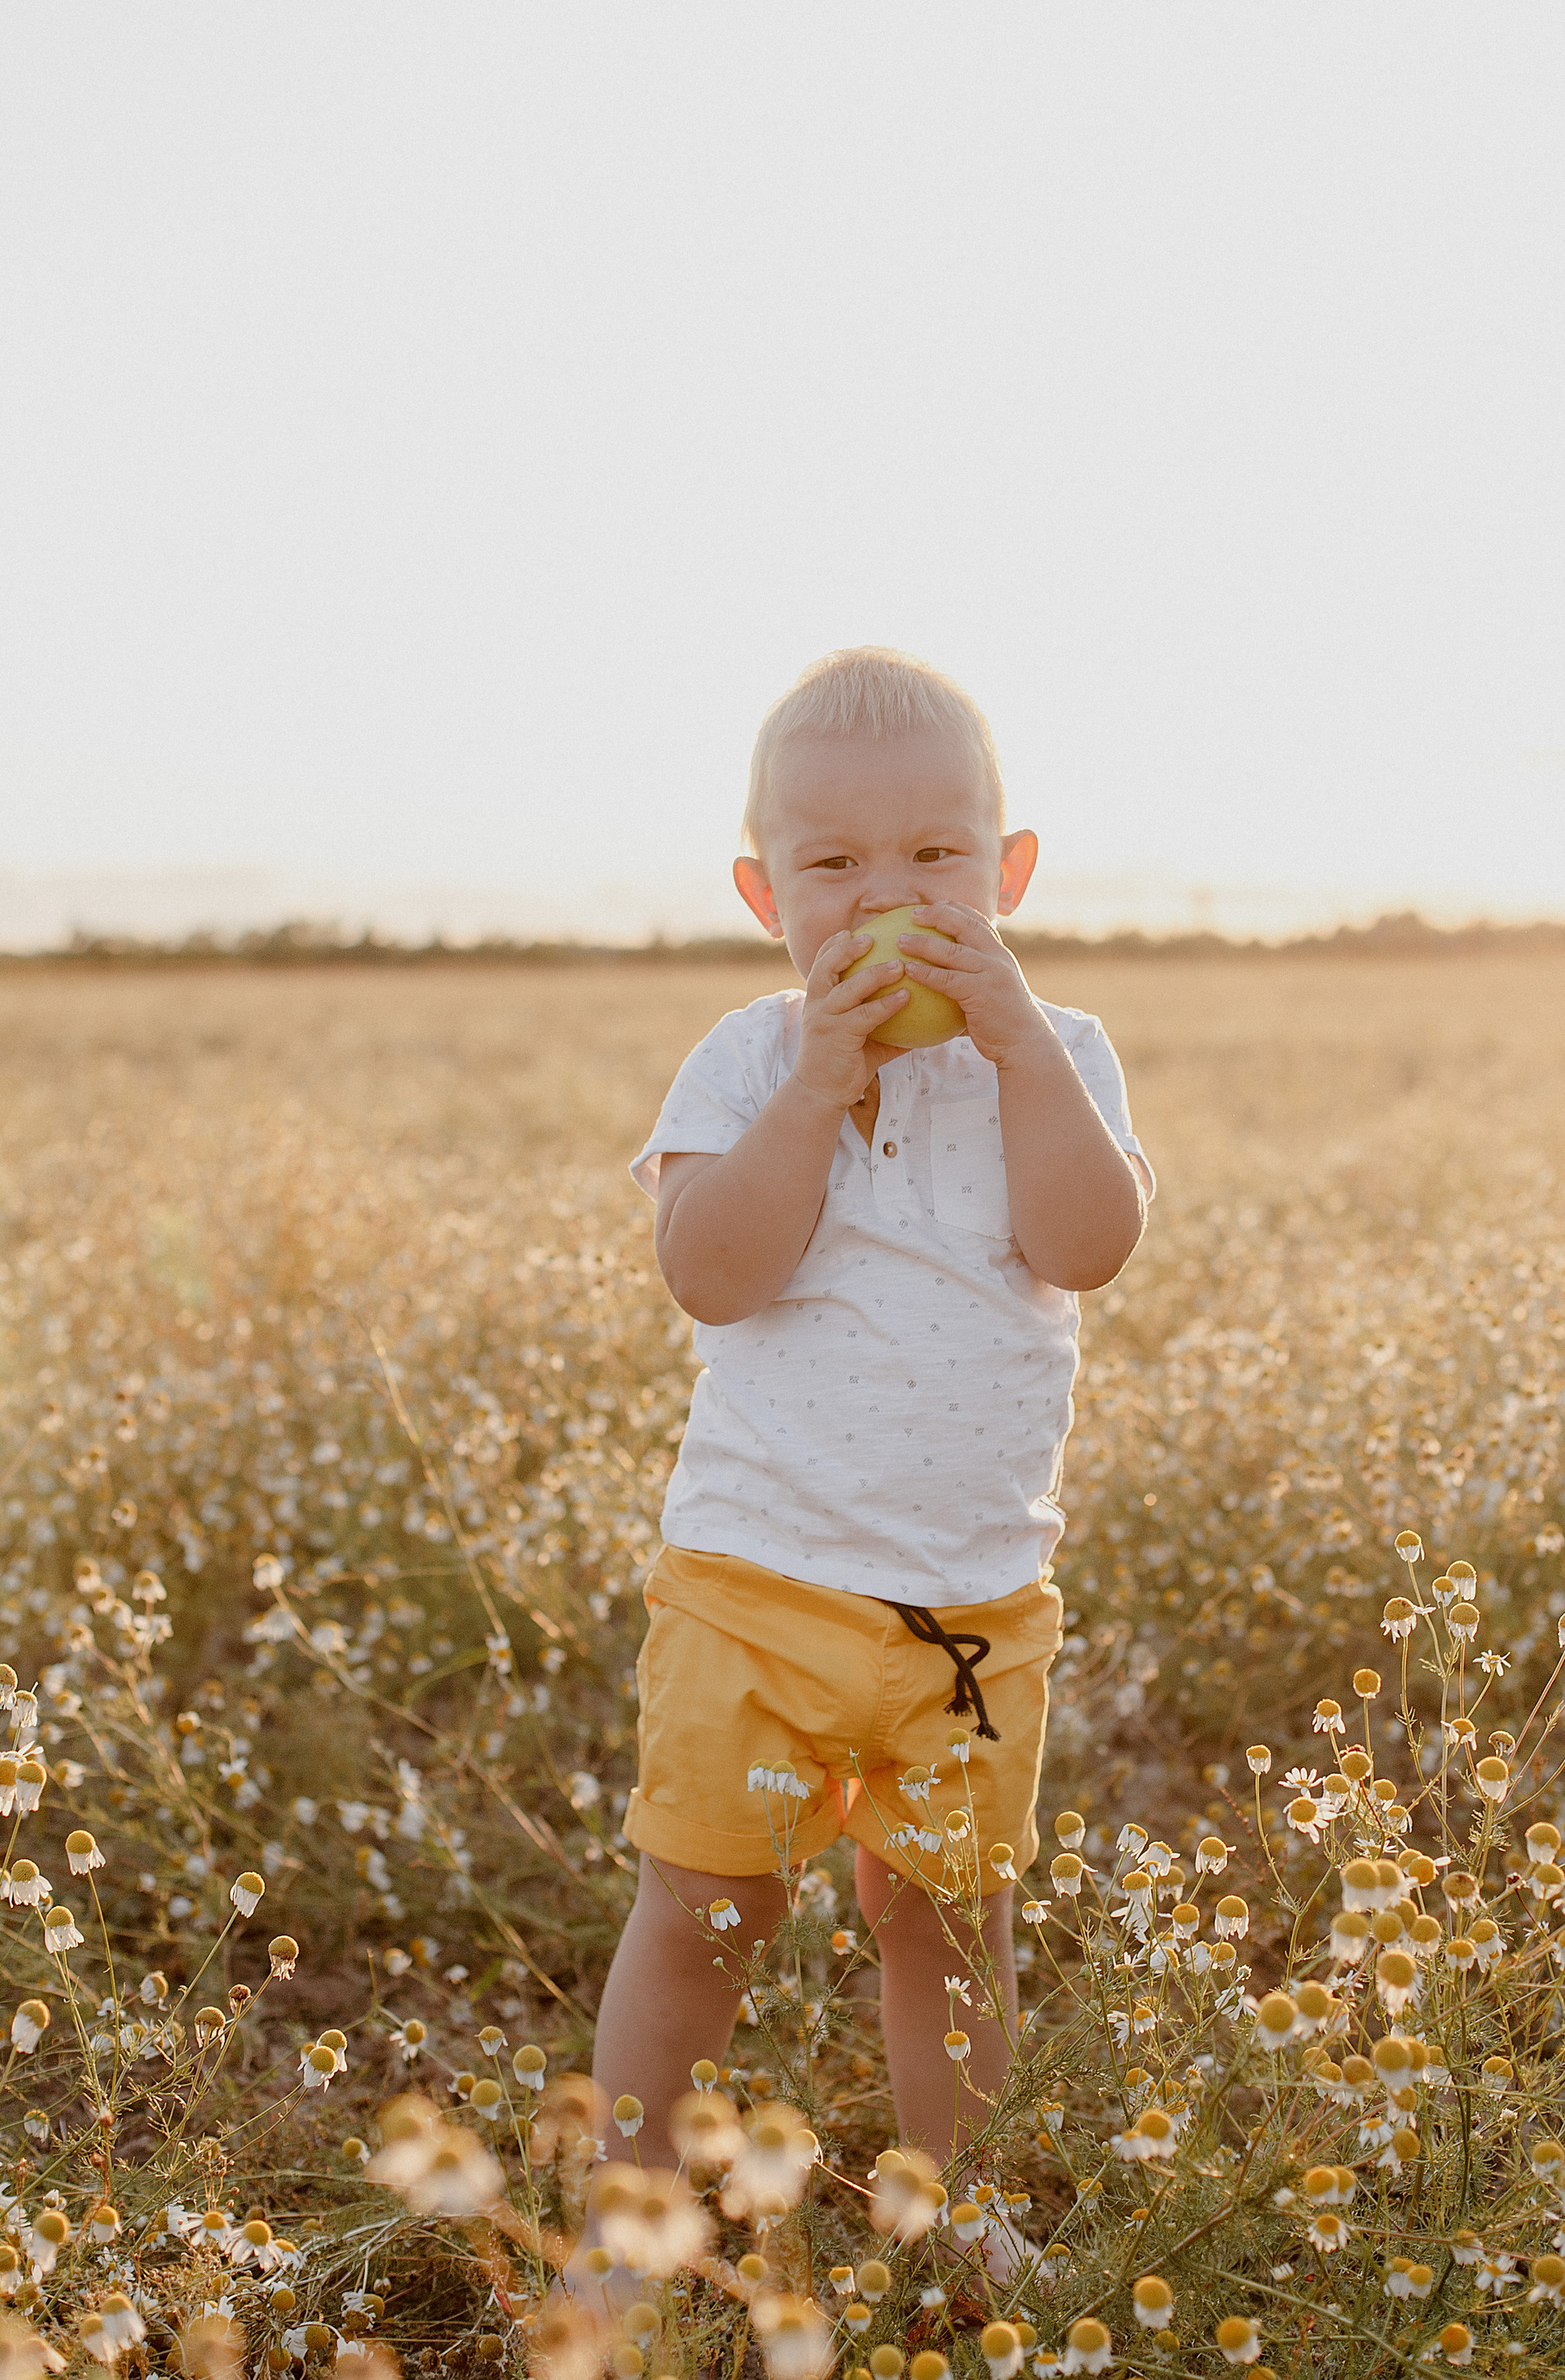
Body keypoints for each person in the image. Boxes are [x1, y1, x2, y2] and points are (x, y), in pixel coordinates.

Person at [591, 645, 1153, 2187]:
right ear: (765, 897)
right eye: (832, 863)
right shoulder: (750, 1059)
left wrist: (1019, 1046)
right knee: (703, 1916)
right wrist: (815, 1082)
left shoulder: (1060, 1054)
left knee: (946, 1929)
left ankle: (950, 2212)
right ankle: (628, 2225)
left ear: (1007, 874)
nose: (881, 893)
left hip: (971, 1607)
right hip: (756, 1590)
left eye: (932, 856)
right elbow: (709, 1275)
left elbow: (1086, 1247)